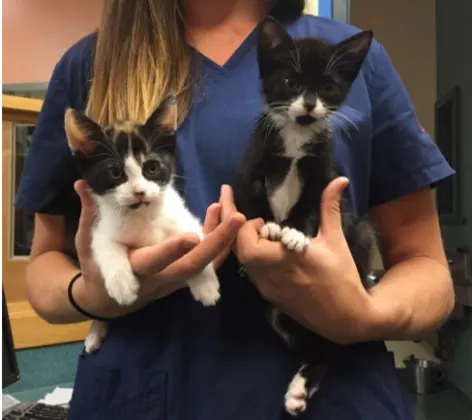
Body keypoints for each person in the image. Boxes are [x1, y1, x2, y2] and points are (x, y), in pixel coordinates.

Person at [16, 0, 455, 419]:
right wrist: (89, 296)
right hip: (148, 396)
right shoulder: (91, 66)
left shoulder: (356, 59)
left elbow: (429, 272)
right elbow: (43, 268)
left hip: (337, 396)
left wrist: (360, 316)